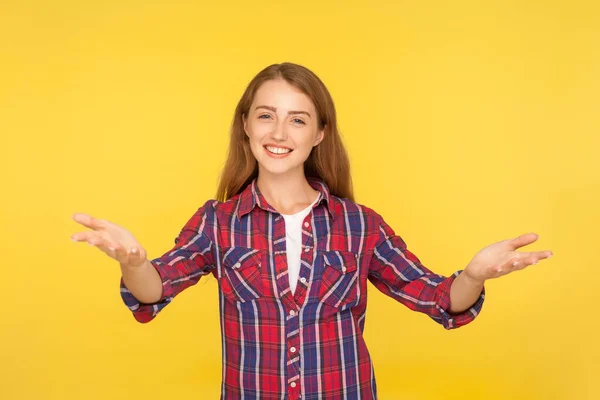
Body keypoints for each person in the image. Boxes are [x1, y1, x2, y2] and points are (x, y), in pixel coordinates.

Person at [71, 62, 553, 400]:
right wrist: (133, 263)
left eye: (297, 120)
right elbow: (154, 290)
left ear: (319, 133)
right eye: (266, 116)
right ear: (246, 125)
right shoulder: (217, 223)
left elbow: (438, 298)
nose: (279, 134)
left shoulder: (359, 225)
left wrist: (474, 275)